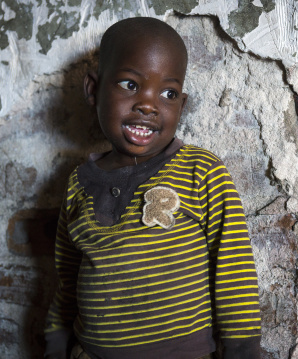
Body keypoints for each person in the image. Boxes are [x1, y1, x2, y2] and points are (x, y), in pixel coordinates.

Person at [44, 17, 261, 359]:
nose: (148, 104)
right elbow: (67, 279)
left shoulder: (201, 171)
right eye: (130, 84)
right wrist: (55, 342)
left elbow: (234, 271)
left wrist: (242, 350)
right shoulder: (78, 183)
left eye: (168, 93)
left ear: (181, 106)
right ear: (92, 90)